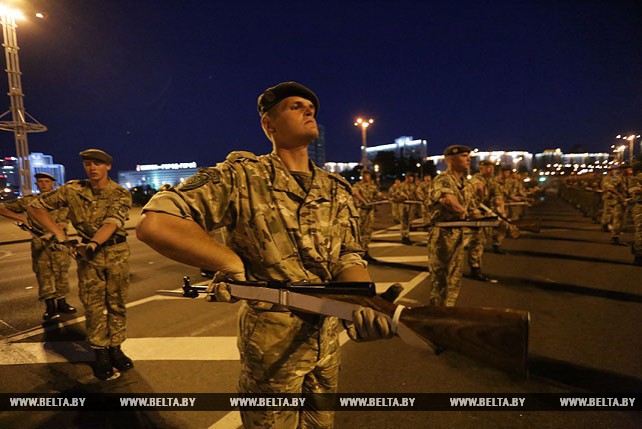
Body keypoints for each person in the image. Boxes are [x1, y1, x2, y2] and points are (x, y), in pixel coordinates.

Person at [136, 81, 392, 428]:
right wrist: (228, 261)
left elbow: (349, 256)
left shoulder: (336, 189)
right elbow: (157, 223)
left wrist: (363, 304)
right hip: (272, 349)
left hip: (327, 341)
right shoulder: (241, 177)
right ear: (268, 125)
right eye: (295, 106)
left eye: (311, 106)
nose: (308, 110)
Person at [28, 149, 133, 381]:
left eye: (97, 164)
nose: (92, 168)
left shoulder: (120, 193)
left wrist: (93, 243)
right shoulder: (73, 190)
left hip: (115, 252)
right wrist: (59, 234)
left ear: (108, 167)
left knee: (116, 303)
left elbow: (113, 222)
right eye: (88, 164)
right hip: (88, 256)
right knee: (93, 304)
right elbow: (36, 206)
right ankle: (100, 352)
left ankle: (116, 347)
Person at [0, 173, 75, 321]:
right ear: (36, 184)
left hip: (59, 242)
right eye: (40, 181)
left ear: (52, 184)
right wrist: (21, 217)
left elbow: (65, 220)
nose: (44, 184)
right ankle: (50, 306)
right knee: (43, 274)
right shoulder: (29, 201)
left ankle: (62, 302)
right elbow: (2, 207)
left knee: (62, 272)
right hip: (40, 242)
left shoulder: (61, 201)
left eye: (47, 181)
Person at [426, 145, 480, 306]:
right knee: (440, 280)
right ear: (450, 160)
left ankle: (448, 309)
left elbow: (473, 209)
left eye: (468, 156)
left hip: (459, 234)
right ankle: (436, 315)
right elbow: (448, 201)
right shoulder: (443, 179)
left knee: (455, 278)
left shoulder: (467, 184)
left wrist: (490, 219)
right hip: (443, 235)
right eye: (464, 156)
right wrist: (463, 212)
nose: (468, 159)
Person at [466, 160, 501, 282]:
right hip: (473, 215)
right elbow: (474, 191)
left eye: (491, 167)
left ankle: (476, 267)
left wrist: (500, 210)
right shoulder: (476, 180)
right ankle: (474, 268)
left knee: (480, 241)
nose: (490, 170)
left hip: (485, 215)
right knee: (476, 241)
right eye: (487, 167)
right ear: (481, 168)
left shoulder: (492, 182)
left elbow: (498, 197)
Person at [352, 170, 382, 261]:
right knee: (359, 231)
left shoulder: (373, 186)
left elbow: (377, 194)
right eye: (364, 175)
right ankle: (358, 252)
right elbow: (355, 193)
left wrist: (382, 197)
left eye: (368, 175)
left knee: (368, 230)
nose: (366, 177)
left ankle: (365, 250)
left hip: (370, 211)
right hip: (361, 210)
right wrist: (364, 201)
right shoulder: (358, 185)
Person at [390, 172, 418, 245]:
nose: (411, 178)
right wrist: (404, 196)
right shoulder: (402, 185)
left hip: (411, 206)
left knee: (408, 221)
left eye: (412, 177)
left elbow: (416, 194)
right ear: (406, 177)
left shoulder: (414, 186)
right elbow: (397, 193)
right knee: (404, 221)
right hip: (404, 206)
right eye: (409, 177)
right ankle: (404, 237)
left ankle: (407, 235)